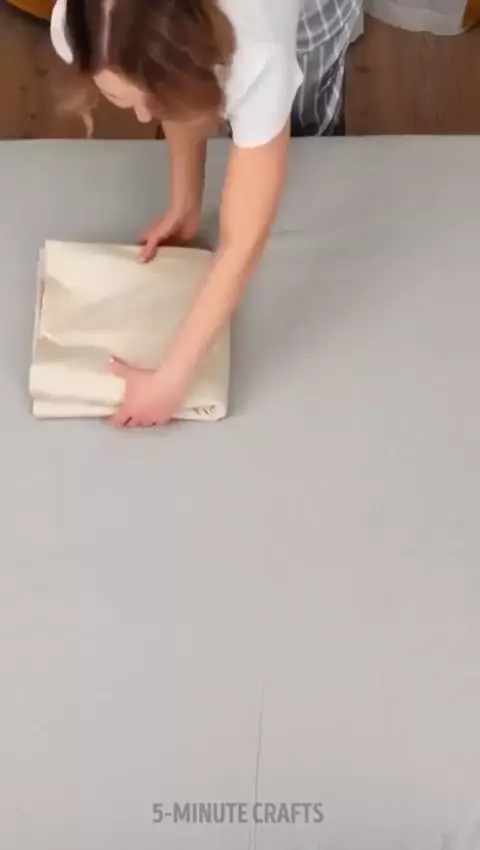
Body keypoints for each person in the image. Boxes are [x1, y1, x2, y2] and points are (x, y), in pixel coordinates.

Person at [50, 0, 361, 427]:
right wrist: (185, 199)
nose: (141, 116)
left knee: (305, 115)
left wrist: (171, 381)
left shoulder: (259, 50)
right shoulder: (81, 24)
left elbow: (244, 239)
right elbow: (172, 94)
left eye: (152, 99)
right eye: (119, 96)